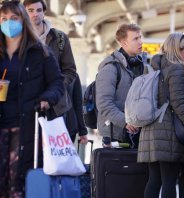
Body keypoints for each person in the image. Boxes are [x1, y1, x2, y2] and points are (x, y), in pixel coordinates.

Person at [0, 1, 64, 197]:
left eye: (14, 18)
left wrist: (46, 98)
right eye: (3, 19)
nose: (8, 23)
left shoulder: (40, 52)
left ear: (23, 21)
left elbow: (57, 83)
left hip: (27, 125)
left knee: (19, 180)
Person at [137, 32, 184, 198]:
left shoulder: (154, 67)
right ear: (178, 50)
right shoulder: (177, 70)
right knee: (169, 180)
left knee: (154, 180)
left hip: (150, 129)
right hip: (168, 131)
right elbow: (178, 103)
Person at [23, 0, 88, 144]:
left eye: (39, 10)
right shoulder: (18, 39)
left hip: (57, 107)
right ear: (24, 13)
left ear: (44, 12)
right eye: (31, 10)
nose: (35, 14)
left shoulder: (59, 38)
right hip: (27, 106)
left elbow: (70, 71)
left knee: (56, 156)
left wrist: (54, 91)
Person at [95, 23, 144, 147]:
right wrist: (125, 122)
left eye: (140, 37)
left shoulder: (141, 66)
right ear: (124, 43)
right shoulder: (110, 68)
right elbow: (104, 104)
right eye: (135, 39)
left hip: (137, 132)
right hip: (115, 134)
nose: (140, 42)